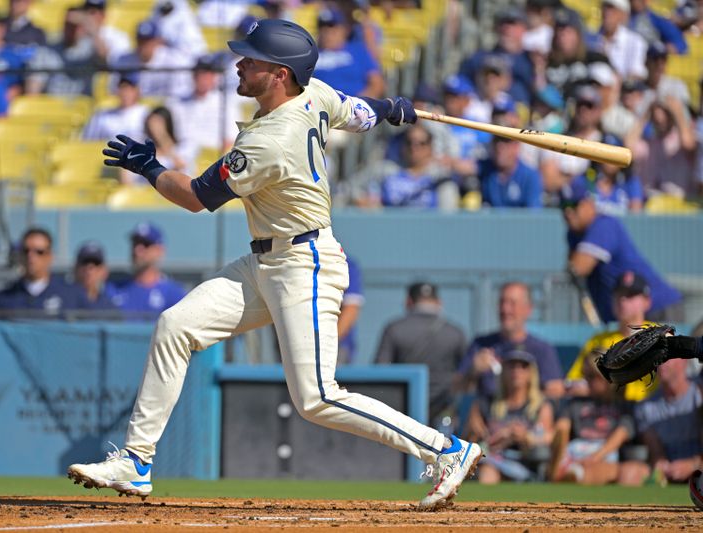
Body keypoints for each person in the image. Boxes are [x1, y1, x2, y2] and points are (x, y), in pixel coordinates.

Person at [67, 18, 482, 510]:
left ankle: (445, 449)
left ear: (281, 73)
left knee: (317, 397)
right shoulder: (316, 94)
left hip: (303, 263)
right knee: (176, 325)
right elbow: (360, 112)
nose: (239, 64)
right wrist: (391, 108)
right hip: (266, 260)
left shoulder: (271, 139)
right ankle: (135, 461)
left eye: (252, 59)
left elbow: (197, 198)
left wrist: (151, 168)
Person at [561, 177, 684, 324]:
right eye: (563, 206)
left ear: (590, 203)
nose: (568, 212)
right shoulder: (574, 234)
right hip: (626, 316)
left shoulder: (603, 224)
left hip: (657, 310)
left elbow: (578, 268)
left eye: (574, 204)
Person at [375, 282, 466, 427]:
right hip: (444, 413)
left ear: (409, 302)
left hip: (404, 413)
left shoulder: (394, 328)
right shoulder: (455, 332)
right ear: (439, 303)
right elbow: (464, 378)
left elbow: (380, 372)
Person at [549, 352, 648, 485]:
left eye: (591, 376)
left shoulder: (624, 407)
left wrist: (594, 458)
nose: (587, 381)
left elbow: (620, 436)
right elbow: (561, 429)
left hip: (604, 454)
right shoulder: (575, 403)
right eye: (585, 376)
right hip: (575, 451)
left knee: (618, 470)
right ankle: (567, 471)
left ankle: (572, 475)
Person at [458, 282, 565, 401]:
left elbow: (556, 390)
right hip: (487, 417)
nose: (505, 309)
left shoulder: (542, 350)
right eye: (502, 302)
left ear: (528, 309)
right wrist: (473, 371)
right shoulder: (480, 345)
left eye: (512, 303)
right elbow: (456, 389)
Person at [565, 271, 659, 401]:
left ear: (647, 301)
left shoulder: (661, 336)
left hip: (649, 411)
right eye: (619, 294)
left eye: (630, 295)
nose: (623, 300)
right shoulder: (598, 340)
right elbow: (573, 381)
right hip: (607, 412)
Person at [464, 348, 554, 483]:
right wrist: (474, 427)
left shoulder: (541, 406)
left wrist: (525, 436)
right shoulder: (486, 403)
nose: (516, 371)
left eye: (523, 366)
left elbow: (548, 437)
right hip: (490, 459)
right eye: (511, 366)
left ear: (531, 373)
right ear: (503, 371)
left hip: (524, 464)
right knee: (487, 468)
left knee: (488, 469)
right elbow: (469, 440)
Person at [0, 228, 89, 316]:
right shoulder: (3, 299)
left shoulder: (72, 296)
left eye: (39, 252)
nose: (31, 257)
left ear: (50, 256)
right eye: (26, 251)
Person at [356, 124, 459, 209]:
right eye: (409, 142)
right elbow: (350, 187)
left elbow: (447, 216)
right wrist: (361, 199)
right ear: (402, 146)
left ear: (430, 147)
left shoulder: (440, 177)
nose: (414, 148)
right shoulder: (385, 170)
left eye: (421, 143)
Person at [107, 222, 186, 321]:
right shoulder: (114, 289)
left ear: (159, 250)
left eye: (146, 244)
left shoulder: (174, 295)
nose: (137, 250)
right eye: (135, 243)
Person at [167, 54, 240, 156]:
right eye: (200, 73)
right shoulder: (176, 102)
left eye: (208, 74)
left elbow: (231, 139)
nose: (204, 78)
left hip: (211, 156)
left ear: (214, 77)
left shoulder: (226, 103)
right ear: (193, 75)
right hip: (179, 154)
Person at [311, 6, 384, 99]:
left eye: (333, 27)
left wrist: (357, 105)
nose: (327, 32)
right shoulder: (310, 55)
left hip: (355, 107)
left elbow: (377, 84)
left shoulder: (358, 51)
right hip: (321, 107)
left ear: (345, 30)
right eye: (322, 27)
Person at [111, 19, 193, 100]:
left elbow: (179, 94)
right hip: (134, 108)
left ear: (157, 41)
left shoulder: (174, 61)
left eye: (148, 41)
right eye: (141, 41)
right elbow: (114, 91)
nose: (144, 45)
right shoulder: (123, 60)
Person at [82, 72, 149, 145]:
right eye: (123, 88)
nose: (126, 93)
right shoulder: (102, 115)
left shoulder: (146, 114)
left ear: (137, 91)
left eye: (130, 89)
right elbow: (88, 142)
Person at [478, 136, 543, 209]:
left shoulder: (530, 176)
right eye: (496, 140)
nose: (500, 146)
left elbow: (534, 216)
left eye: (506, 141)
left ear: (516, 146)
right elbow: (466, 166)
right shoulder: (485, 167)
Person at [597, 0, 649, 81]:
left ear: (623, 15)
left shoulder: (635, 42)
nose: (607, 12)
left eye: (612, 9)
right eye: (605, 7)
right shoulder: (593, 38)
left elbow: (636, 74)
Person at [73, 241, 118, 313]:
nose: (89, 269)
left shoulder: (110, 309)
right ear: (75, 269)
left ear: (104, 271)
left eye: (96, 263)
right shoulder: (63, 303)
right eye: (84, 263)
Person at [336, 255, 363, 365]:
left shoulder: (343, 262)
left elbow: (351, 309)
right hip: (292, 342)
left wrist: (325, 343)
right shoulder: (286, 258)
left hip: (334, 347)